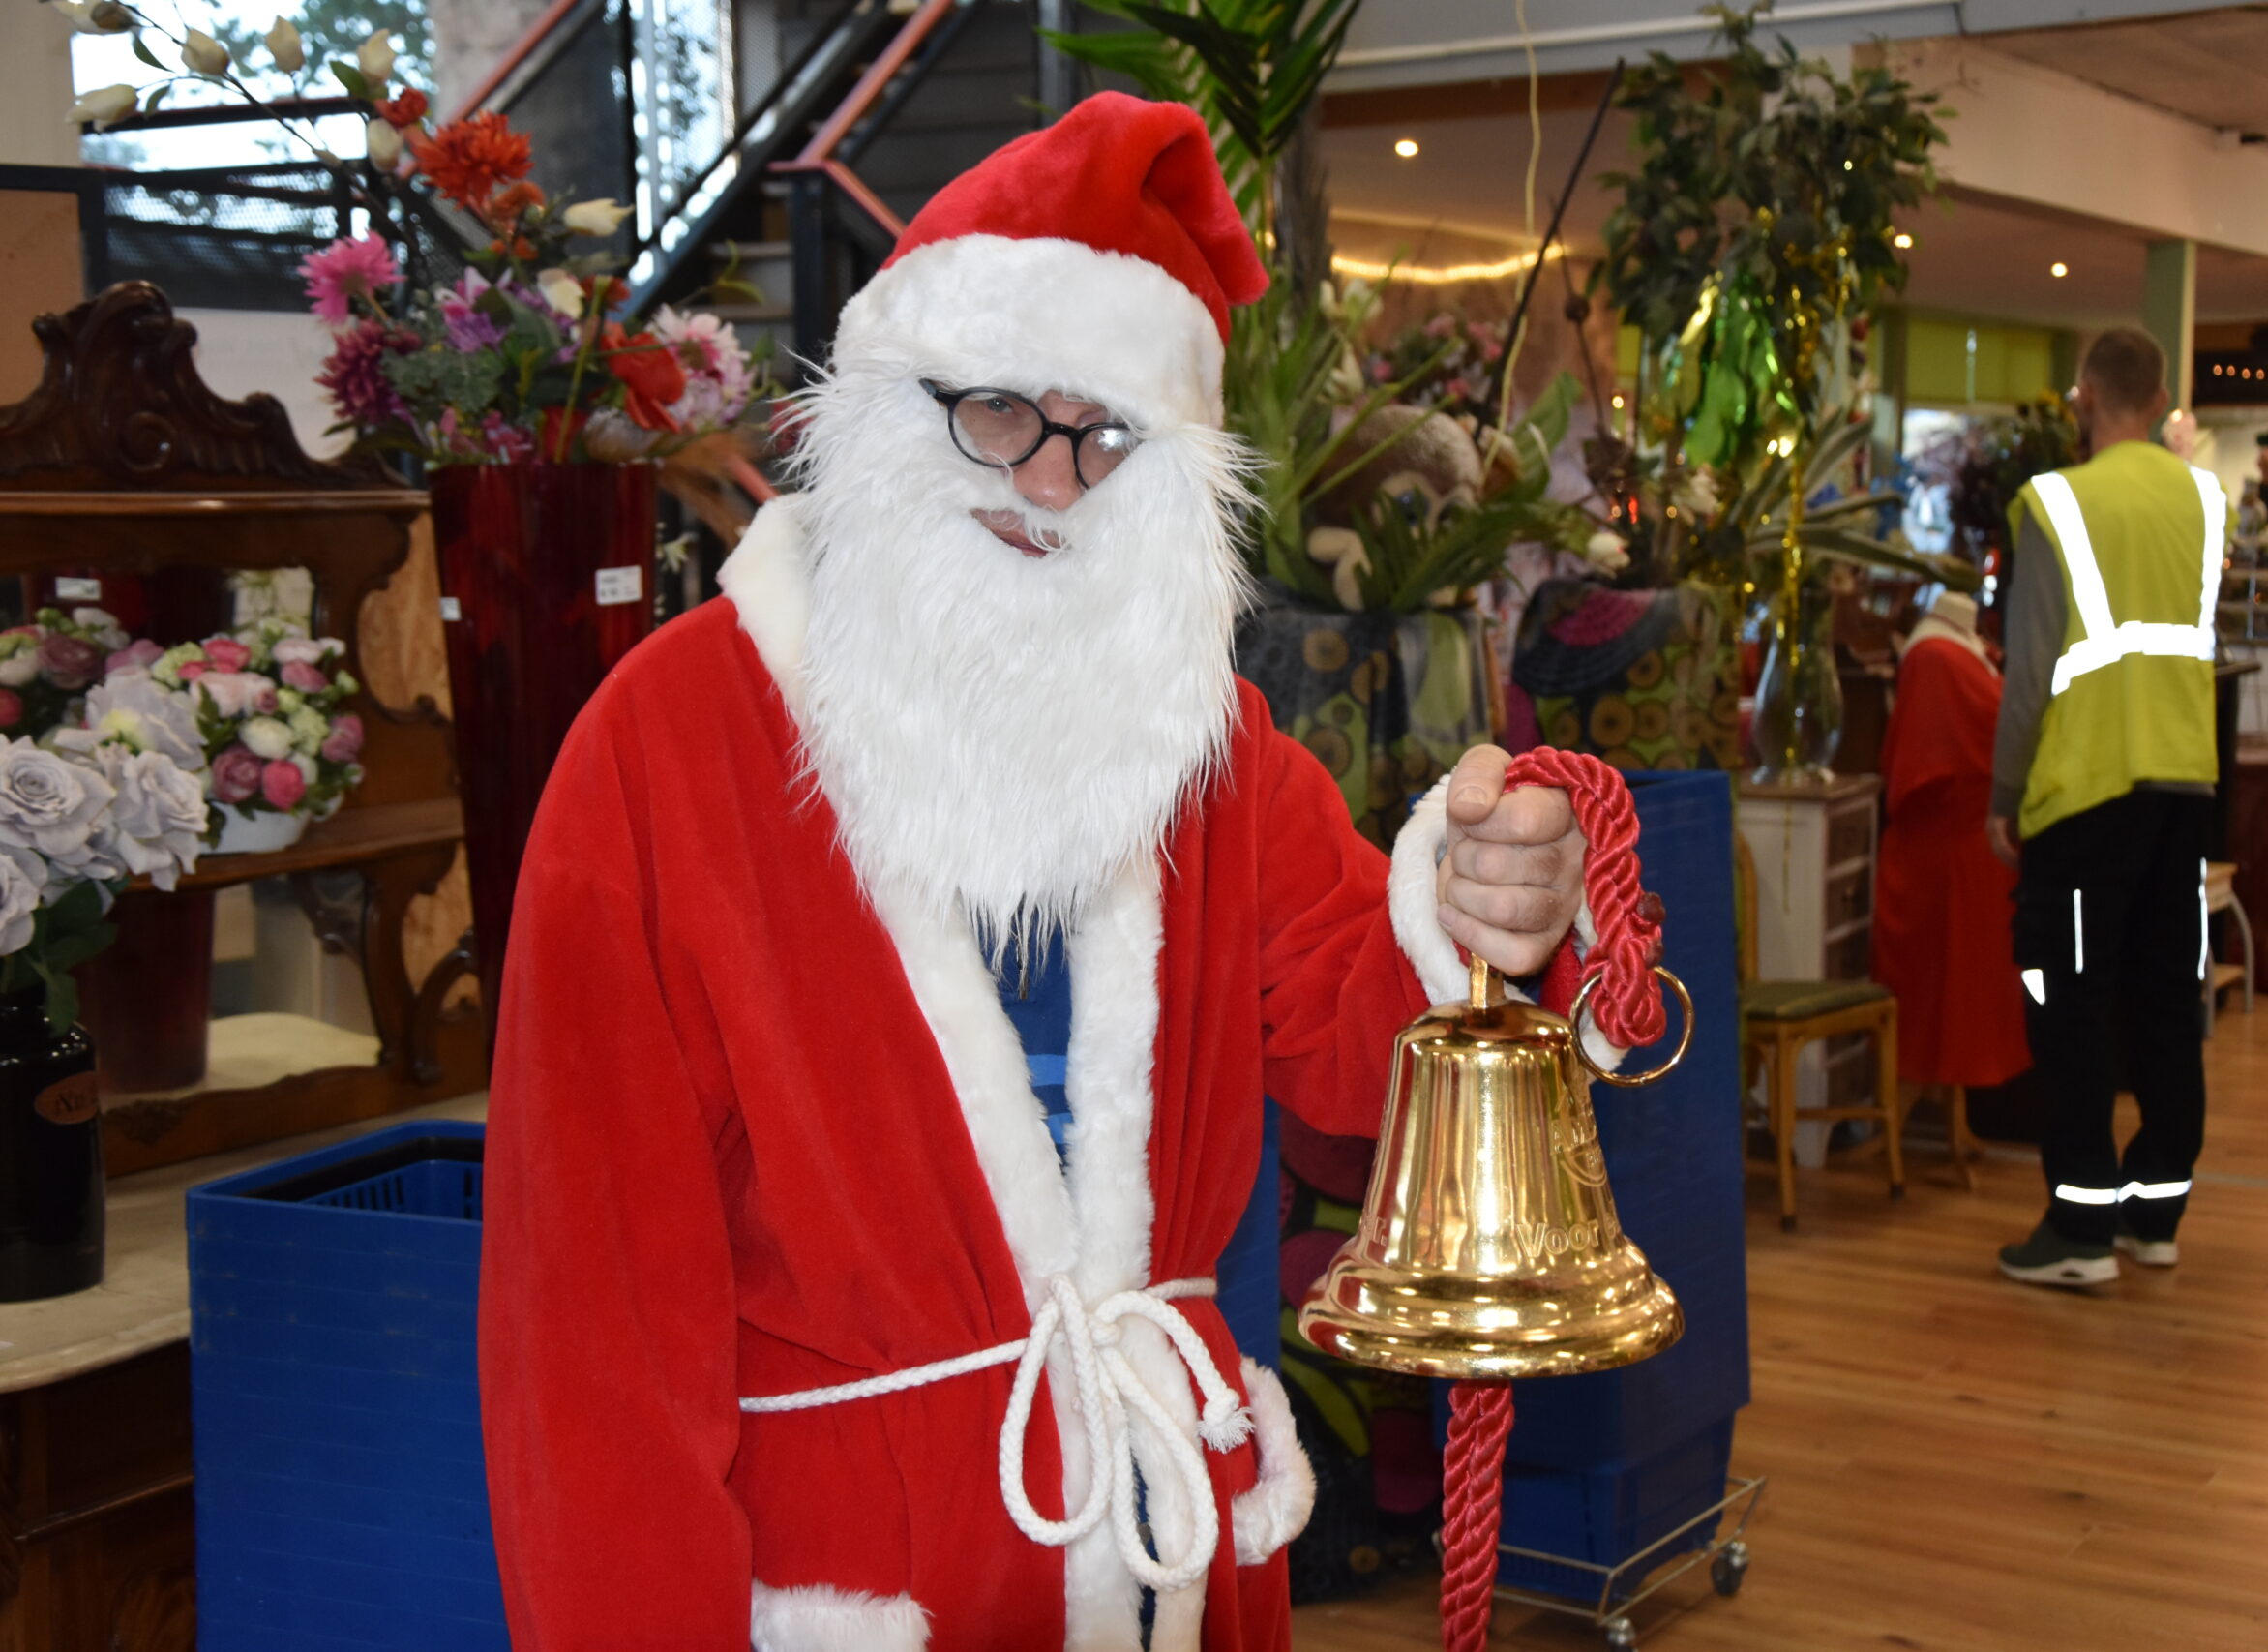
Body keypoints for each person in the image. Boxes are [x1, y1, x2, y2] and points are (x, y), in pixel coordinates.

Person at [475, 96, 1613, 1652]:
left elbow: (1371, 1077)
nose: (1051, 483)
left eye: (1109, 437)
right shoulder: (662, 753)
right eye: (998, 408)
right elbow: (591, 1348)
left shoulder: (1211, 754)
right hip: (857, 1573)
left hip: (1170, 1551)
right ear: (885, 400)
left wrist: (1488, 918)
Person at [1984, 327, 2224, 1288]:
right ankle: (2152, 1214)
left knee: (2069, 1004)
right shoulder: (2203, 499)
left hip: (2085, 789)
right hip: (2185, 783)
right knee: (2168, 998)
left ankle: (2079, 1226)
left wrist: (2004, 796)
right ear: (2161, 397)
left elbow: (2031, 669)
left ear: (2083, 396)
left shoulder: (2055, 502)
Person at [1875, 589, 2029, 1097]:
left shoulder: (1963, 650)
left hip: (1973, 847)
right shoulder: (1935, 657)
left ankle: (1956, 1107)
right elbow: (1920, 768)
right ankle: (1922, 1104)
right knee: (1939, 991)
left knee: (1970, 993)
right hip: (1943, 850)